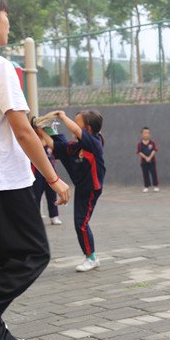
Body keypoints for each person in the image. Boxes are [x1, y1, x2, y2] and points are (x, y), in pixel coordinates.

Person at [0, 0, 70, 340]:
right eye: (5, 14)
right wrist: (53, 179)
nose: (8, 22)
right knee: (33, 253)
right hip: (4, 180)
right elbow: (23, 130)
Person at [39, 110, 105, 272]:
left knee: (81, 224)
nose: (73, 126)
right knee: (61, 141)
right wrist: (40, 131)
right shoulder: (78, 146)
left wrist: (61, 116)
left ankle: (91, 258)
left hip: (91, 189)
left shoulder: (94, 142)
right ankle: (91, 256)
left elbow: (76, 131)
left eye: (77, 123)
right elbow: (55, 146)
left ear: (87, 129)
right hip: (82, 188)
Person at [31, 132, 63, 225]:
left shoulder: (50, 141)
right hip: (37, 173)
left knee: (52, 194)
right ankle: (35, 217)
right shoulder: (34, 141)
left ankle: (54, 216)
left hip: (51, 173)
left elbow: (57, 153)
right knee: (36, 195)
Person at [136, 126, 159, 192]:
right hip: (144, 162)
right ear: (142, 134)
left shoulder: (152, 143)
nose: (146, 134)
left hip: (152, 162)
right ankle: (146, 186)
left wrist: (149, 157)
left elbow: (154, 150)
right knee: (145, 174)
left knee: (154, 173)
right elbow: (139, 152)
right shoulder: (139, 144)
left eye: (148, 133)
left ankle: (156, 185)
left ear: (150, 134)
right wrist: (146, 158)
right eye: (145, 133)